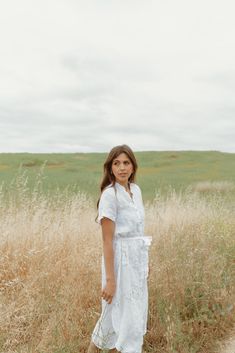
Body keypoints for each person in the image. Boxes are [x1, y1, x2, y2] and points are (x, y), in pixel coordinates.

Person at [87, 144, 152, 353]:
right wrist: (110, 280)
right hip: (118, 264)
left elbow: (139, 232)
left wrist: (145, 265)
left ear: (133, 166)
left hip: (136, 262)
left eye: (126, 162)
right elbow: (107, 241)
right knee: (111, 318)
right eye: (116, 163)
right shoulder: (110, 195)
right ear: (110, 168)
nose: (122, 168)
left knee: (131, 318)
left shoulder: (136, 191)